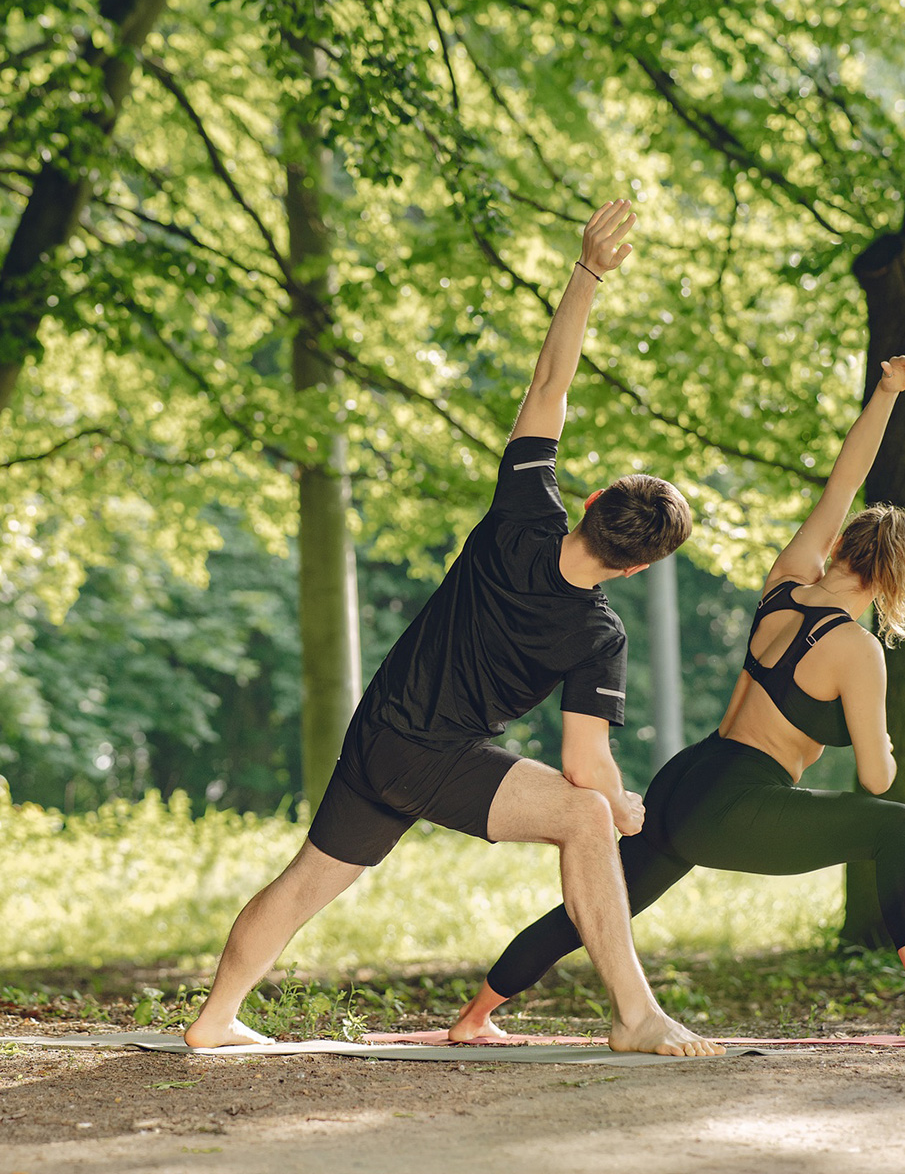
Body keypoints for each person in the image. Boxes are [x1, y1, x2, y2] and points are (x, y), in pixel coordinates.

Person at [185, 201, 722, 1058]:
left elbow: (549, 386)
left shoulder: (522, 509)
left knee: (308, 880)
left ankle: (215, 1018)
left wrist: (587, 271)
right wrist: (623, 807)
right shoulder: (598, 635)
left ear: (590, 502)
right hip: (431, 756)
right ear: (636, 568)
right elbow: (585, 767)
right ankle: (635, 1015)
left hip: (378, 731)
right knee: (587, 816)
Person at [451, 355, 905, 1045]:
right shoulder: (857, 649)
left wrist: (886, 392)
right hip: (738, 802)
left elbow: (844, 482)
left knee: (598, 906)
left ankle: (475, 1016)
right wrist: (885, 740)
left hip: (689, 778)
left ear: (842, 545)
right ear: (899, 581)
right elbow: (876, 779)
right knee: (895, 824)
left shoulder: (788, 582)